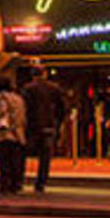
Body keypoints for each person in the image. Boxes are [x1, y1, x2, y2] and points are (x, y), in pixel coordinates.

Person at [21, 64, 67, 193]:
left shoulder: (27, 89)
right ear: (44, 74)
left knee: (23, 153)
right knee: (45, 156)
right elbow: (62, 108)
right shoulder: (54, 88)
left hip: (31, 125)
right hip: (49, 125)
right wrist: (58, 122)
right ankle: (40, 182)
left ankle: (19, 180)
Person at [0, 76, 27, 195]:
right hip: (18, 133)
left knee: (4, 162)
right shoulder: (19, 99)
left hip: (3, 133)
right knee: (15, 161)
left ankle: (5, 186)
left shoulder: (1, 98)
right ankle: (15, 185)